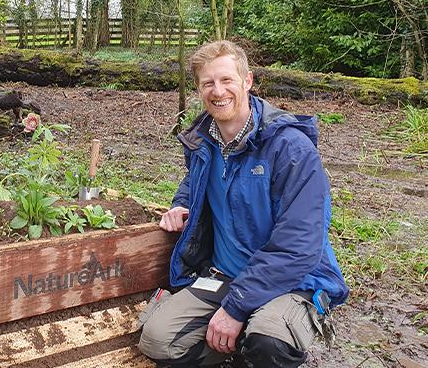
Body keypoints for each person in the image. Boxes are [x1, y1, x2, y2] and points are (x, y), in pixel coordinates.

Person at [138, 40, 348, 367]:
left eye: (227, 80)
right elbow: (196, 179)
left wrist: (235, 308)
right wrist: (182, 204)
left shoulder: (291, 149)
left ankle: (261, 337)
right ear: (199, 89)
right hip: (225, 274)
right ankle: (240, 345)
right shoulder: (203, 141)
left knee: (269, 342)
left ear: (247, 80)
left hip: (292, 281)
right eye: (208, 83)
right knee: (158, 340)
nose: (218, 91)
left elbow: (299, 245)